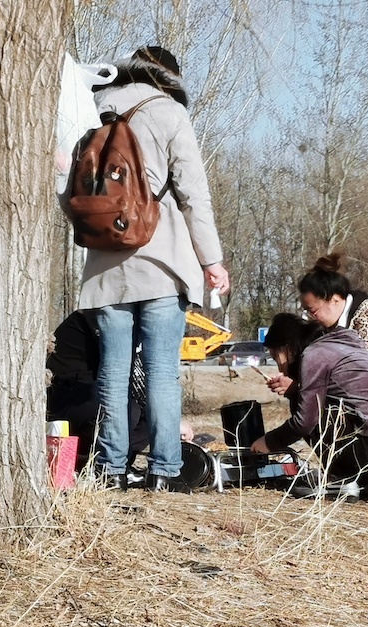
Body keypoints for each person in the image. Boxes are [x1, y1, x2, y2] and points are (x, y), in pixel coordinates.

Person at [71, 45, 230, 493]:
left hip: (105, 264)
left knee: (113, 370)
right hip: (162, 259)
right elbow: (194, 197)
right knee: (161, 370)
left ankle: (112, 468)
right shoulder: (169, 113)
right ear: (171, 78)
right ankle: (164, 471)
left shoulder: (94, 106)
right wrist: (211, 261)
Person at [267, 252, 368, 492]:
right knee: (312, 400)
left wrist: (300, 389)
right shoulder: (330, 328)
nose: (310, 317)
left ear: (334, 300)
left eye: (312, 311)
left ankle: (364, 470)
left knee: (311, 407)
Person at [251, 313, 368, 502]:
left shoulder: (314, 354)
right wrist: (296, 388)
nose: (280, 368)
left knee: (306, 405)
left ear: (287, 347)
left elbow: (304, 423)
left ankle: (339, 480)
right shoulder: (353, 352)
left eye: (276, 357)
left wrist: (269, 442)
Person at [46, 310, 148, 473]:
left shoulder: (131, 322)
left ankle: (118, 462)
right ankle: (86, 461)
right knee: (128, 411)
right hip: (66, 398)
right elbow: (124, 371)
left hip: (90, 396)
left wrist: (167, 421)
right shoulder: (96, 317)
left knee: (146, 415)